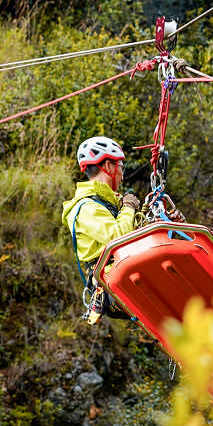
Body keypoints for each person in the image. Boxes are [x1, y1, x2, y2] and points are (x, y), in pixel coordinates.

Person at [62, 136, 141, 320]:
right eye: (121, 167)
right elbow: (119, 237)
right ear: (108, 166)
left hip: (126, 275)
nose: (122, 175)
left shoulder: (111, 204)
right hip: (111, 285)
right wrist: (128, 208)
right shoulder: (85, 208)